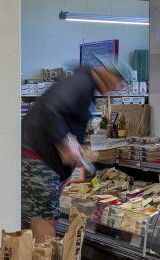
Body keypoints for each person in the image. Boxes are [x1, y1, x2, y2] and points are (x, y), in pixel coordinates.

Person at [21, 60, 126, 244]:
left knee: (33, 217)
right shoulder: (81, 83)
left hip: (36, 156)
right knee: (45, 218)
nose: (117, 88)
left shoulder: (84, 85)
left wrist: (73, 148)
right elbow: (50, 110)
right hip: (38, 157)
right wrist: (66, 145)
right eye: (118, 81)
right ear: (107, 73)